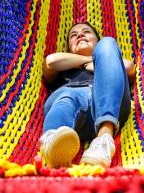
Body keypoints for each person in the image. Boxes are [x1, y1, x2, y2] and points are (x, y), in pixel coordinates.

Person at [40, 22, 135, 168]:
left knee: (108, 42)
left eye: (86, 32)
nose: (80, 35)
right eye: (73, 35)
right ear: (69, 48)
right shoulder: (64, 68)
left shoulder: (106, 50)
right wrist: (88, 61)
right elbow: (51, 62)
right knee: (66, 97)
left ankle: (104, 139)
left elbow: (128, 67)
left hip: (111, 104)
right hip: (74, 103)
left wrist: (101, 57)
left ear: (97, 41)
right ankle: (53, 145)